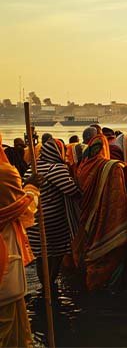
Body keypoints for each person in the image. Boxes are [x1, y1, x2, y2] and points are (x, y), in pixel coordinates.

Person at [73, 127, 127, 291]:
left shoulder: (83, 166)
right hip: (110, 219)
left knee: (92, 246)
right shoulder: (113, 167)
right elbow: (120, 196)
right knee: (112, 249)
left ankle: (93, 279)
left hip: (88, 216)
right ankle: (112, 285)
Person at [23, 139, 81, 293]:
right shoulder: (56, 168)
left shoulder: (32, 168)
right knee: (55, 254)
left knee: (42, 256)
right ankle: (50, 286)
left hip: (34, 221)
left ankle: (45, 287)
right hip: (53, 222)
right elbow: (72, 190)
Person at [0, 134, 39, 347]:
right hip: (4, 257)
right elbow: (21, 209)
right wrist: (32, 189)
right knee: (8, 329)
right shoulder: (5, 174)